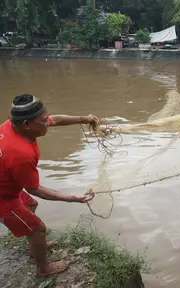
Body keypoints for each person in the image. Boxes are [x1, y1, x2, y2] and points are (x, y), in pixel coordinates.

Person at [0, 94, 99, 277]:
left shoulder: (16, 125)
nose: (48, 123)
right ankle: (43, 268)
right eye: (44, 121)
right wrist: (72, 198)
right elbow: (34, 189)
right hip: (2, 198)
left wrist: (83, 119)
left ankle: (35, 246)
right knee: (38, 228)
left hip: (7, 186)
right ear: (27, 124)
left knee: (30, 205)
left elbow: (55, 119)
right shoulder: (19, 153)